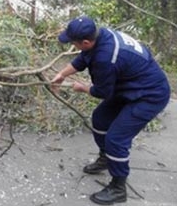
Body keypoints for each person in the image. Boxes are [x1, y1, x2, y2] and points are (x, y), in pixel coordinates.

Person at [51, 16, 170, 205]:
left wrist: (82, 88)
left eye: (73, 43)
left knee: (116, 138)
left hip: (149, 95)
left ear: (86, 42)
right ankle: (106, 158)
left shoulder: (106, 58)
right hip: (128, 86)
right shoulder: (101, 35)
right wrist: (61, 74)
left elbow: (103, 91)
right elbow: (83, 58)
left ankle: (118, 188)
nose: (72, 46)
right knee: (100, 119)